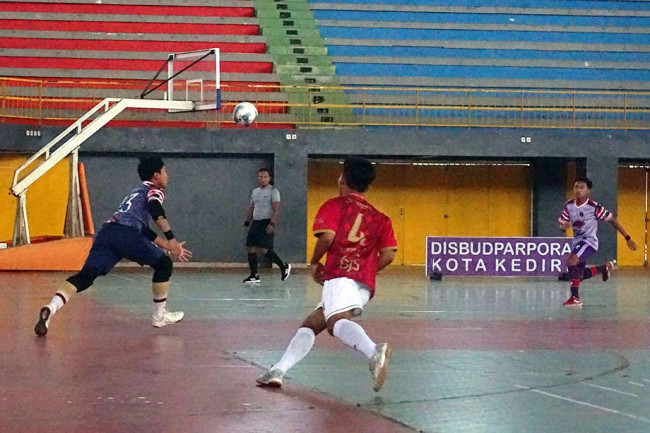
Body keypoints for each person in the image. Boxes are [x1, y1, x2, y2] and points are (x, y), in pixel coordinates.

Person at [256, 157, 398, 392]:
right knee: (313, 323)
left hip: (339, 274)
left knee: (336, 324)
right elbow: (389, 254)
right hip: (364, 284)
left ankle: (374, 351)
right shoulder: (381, 218)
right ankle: (278, 369)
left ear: (343, 178)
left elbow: (328, 237)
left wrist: (313, 263)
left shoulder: (335, 205)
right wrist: (367, 269)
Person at [34, 156, 192, 336]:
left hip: (107, 233)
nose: (167, 175)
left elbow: (145, 230)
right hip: (126, 234)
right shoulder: (154, 190)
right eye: (165, 171)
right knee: (164, 264)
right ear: (156, 175)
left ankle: (50, 308)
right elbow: (156, 209)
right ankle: (159, 315)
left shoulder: (136, 192)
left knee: (86, 277)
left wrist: (166, 245)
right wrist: (171, 238)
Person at [558, 177, 637, 307]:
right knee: (579, 275)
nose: (578, 190)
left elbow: (613, 220)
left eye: (582, 187)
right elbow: (561, 226)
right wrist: (565, 226)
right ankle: (604, 268)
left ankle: (575, 298)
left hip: (589, 241)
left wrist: (627, 238)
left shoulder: (594, 207)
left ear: (588, 191)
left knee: (571, 261)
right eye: (576, 187)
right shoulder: (569, 205)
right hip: (577, 242)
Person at [242, 167, 291, 283]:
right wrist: (247, 221)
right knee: (250, 247)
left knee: (264, 249)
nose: (263, 179)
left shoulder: (273, 191)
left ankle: (283, 266)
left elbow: (276, 209)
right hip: (256, 222)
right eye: (261, 176)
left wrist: (272, 223)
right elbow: (252, 207)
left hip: (266, 222)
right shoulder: (255, 191)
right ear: (258, 178)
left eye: (265, 177)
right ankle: (254, 275)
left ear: (269, 178)